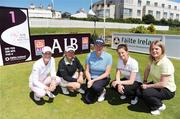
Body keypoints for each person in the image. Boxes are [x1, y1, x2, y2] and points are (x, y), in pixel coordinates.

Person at [141, 40, 176, 116]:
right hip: (157, 84)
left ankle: (159, 106)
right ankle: (156, 100)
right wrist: (144, 81)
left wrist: (147, 86)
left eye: (156, 49)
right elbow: (147, 69)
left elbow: (162, 84)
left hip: (167, 89)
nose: (154, 51)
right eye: (152, 49)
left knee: (146, 93)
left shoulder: (165, 63)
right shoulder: (152, 59)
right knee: (139, 90)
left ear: (162, 50)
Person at [85, 38, 112, 103]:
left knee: (95, 86)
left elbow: (107, 73)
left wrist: (92, 81)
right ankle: (94, 90)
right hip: (91, 78)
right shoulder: (89, 56)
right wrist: (89, 80)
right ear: (94, 46)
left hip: (103, 78)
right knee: (88, 100)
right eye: (97, 46)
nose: (99, 48)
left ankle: (102, 91)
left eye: (101, 46)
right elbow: (86, 71)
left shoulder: (108, 56)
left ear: (103, 47)